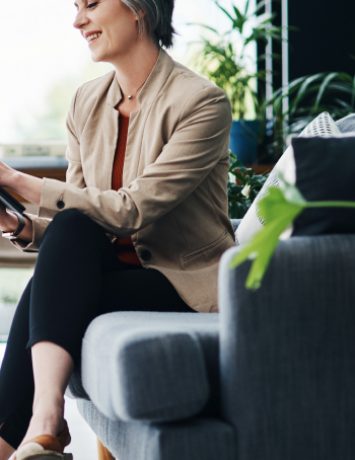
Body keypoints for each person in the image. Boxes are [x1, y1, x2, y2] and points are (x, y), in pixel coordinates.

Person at [0, 0, 234, 458]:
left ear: (138, 10)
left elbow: (130, 211)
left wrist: (14, 180)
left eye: (91, 4)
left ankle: (32, 431)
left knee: (47, 297)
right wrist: (20, 226)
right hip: (109, 271)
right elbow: (80, 225)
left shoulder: (202, 103)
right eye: (75, 7)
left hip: (180, 282)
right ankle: (43, 427)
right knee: (69, 241)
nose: (77, 20)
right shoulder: (86, 102)